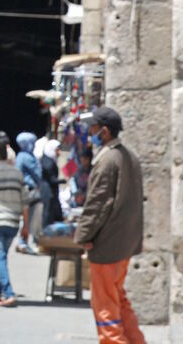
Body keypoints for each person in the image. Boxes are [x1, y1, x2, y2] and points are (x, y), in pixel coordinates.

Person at [75, 107, 145, 344]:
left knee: (104, 304)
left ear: (103, 131)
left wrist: (83, 235)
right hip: (125, 243)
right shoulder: (129, 156)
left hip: (108, 246)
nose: (89, 132)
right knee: (118, 298)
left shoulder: (107, 160)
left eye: (92, 128)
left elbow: (97, 204)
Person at [0, 131, 24, 308]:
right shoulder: (17, 173)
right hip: (14, 222)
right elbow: (25, 200)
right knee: (0, 257)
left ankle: (8, 293)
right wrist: (26, 227)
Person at [14, 132, 43, 254]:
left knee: (24, 218)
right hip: (30, 191)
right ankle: (26, 241)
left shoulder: (20, 156)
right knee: (31, 218)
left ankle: (22, 241)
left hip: (22, 190)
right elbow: (38, 174)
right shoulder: (28, 158)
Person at [41, 139, 65, 226]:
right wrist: (63, 180)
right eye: (57, 150)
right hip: (48, 192)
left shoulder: (49, 160)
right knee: (48, 214)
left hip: (50, 191)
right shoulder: (48, 163)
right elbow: (52, 179)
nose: (59, 152)